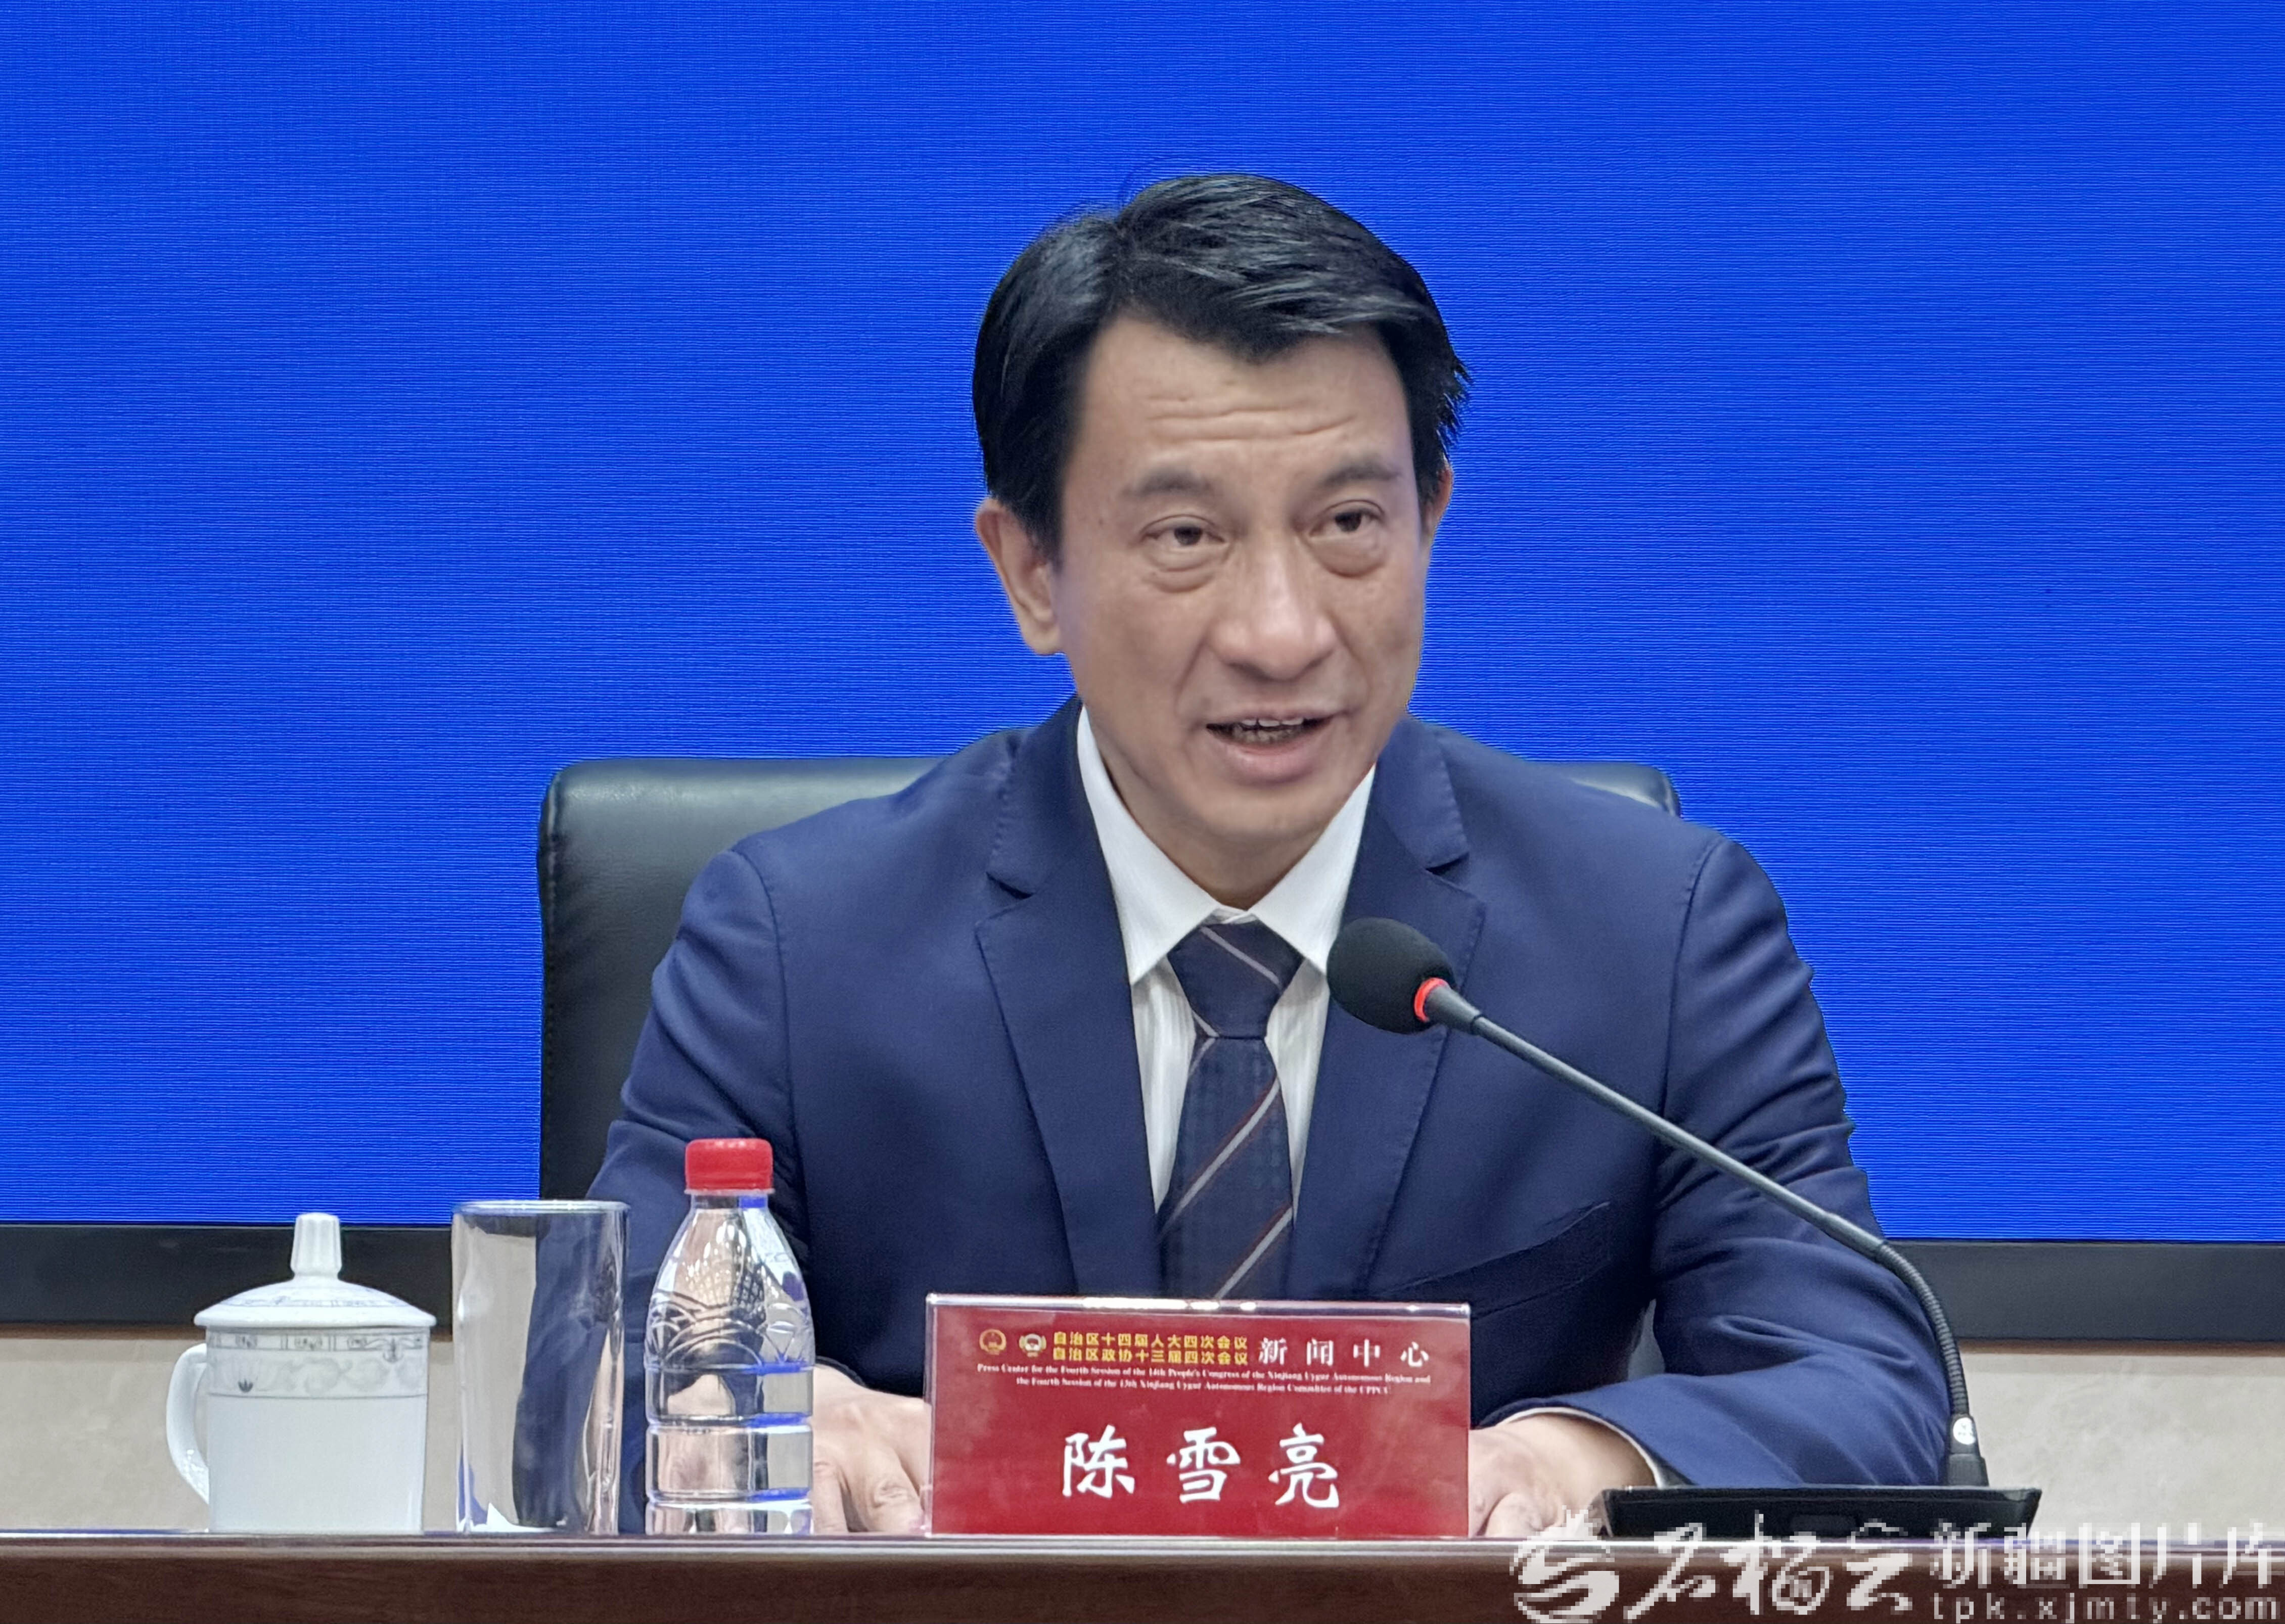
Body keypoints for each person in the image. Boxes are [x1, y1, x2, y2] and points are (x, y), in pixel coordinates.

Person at [588, 173, 1948, 1535]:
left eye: (1348, 524)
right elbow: (590, 1366)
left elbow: (1862, 1381)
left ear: (1432, 521)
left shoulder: (1656, 933)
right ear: (1031, 573)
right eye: (1187, 537)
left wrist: (1576, 1459)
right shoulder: (800, 945)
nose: (1282, 634)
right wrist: (764, 1410)